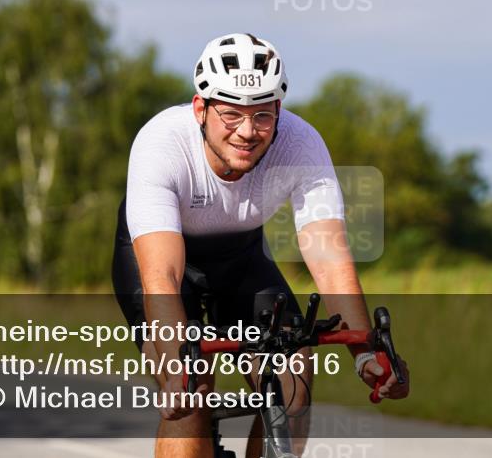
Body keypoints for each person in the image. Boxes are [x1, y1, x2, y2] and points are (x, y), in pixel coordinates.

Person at [113, 32, 409, 458]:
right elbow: (163, 274)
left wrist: (367, 354)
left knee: (294, 382)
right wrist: (176, 366)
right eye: (231, 115)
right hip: (159, 263)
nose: (248, 132)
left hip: (240, 259)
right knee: (191, 391)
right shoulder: (162, 144)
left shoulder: (300, 143)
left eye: (262, 117)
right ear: (201, 108)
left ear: (279, 111)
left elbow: (329, 258)